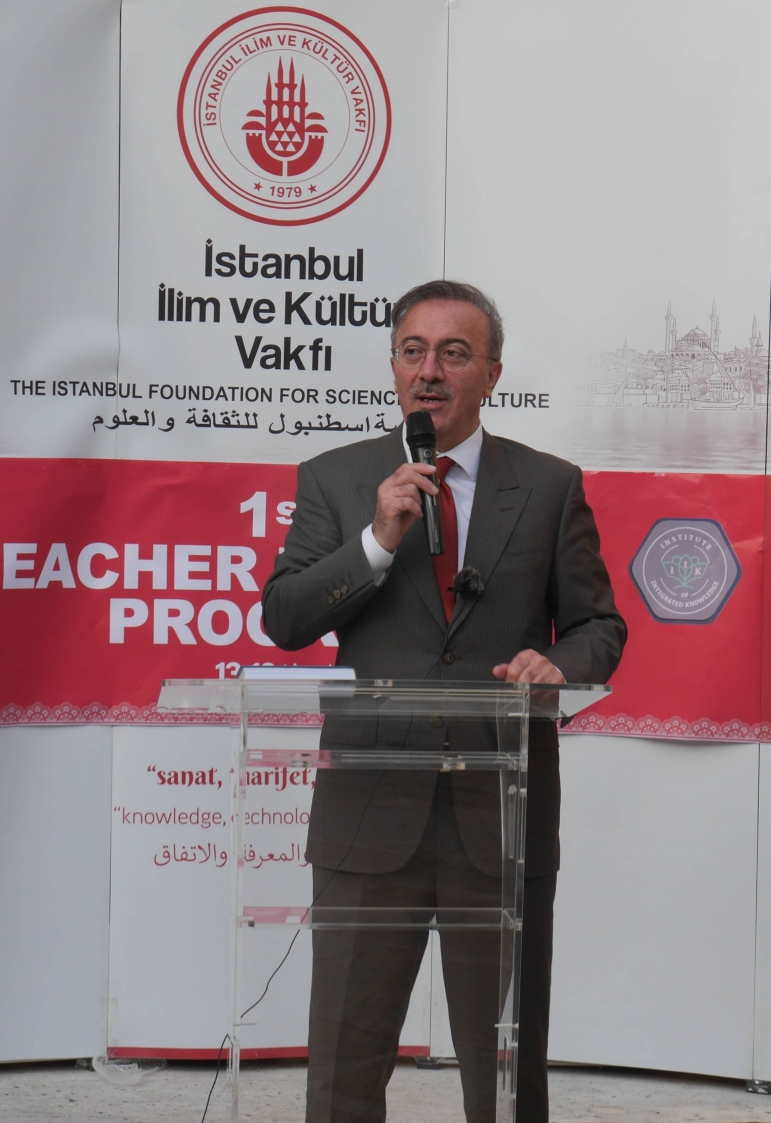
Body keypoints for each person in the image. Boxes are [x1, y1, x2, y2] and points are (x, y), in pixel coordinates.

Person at [261, 280, 626, 1123]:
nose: (430, 370)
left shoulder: (549, 486)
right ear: (393, 366)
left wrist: (556, 665)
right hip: (368, 814)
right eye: (413, 351)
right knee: (345, 1067)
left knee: (504, 1073)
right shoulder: (337, 479)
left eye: (454, 353)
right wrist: (375, 540)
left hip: (500, 813)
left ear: (492, 374)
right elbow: (284, 619)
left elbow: (599, 626)